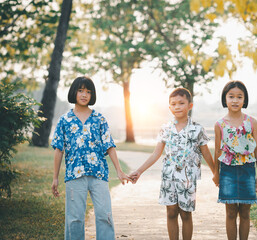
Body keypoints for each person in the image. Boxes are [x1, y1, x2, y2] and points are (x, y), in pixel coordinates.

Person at [51, 76, 131, 240]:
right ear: (74, 92)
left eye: (88, 91)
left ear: (92, 95)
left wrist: (119, 170)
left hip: (99, 175)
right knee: (75, 219)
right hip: (74, 175)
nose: (84, 94)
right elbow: (59, 150)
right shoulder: (64, 120)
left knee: (104, 215)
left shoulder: (99, 119)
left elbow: (109, 145)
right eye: (80, 90)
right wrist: (55, 178)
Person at [129, 88, 216, 240]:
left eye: (181, 103)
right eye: (173, 104)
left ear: (190, 106)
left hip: (188, 177)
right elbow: (156, 154)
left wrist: (216, 173)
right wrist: (139, 171)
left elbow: (206, 153)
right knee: (171, 212)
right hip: (169, 176)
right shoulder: (165, 129)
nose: (177, 107)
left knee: (185, 214)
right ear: (170, 107)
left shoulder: (197, 129)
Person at [212, 80, 257, 240]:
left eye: (239, 97)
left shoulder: (251, 122)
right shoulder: (219, 124)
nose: (235, 100)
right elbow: (217, 151)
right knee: (231, 212)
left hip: (248, 170)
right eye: (231, 96)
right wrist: (216, 173)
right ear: (225, 99)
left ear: (244, 99)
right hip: (227, 171)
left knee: (245, 212)